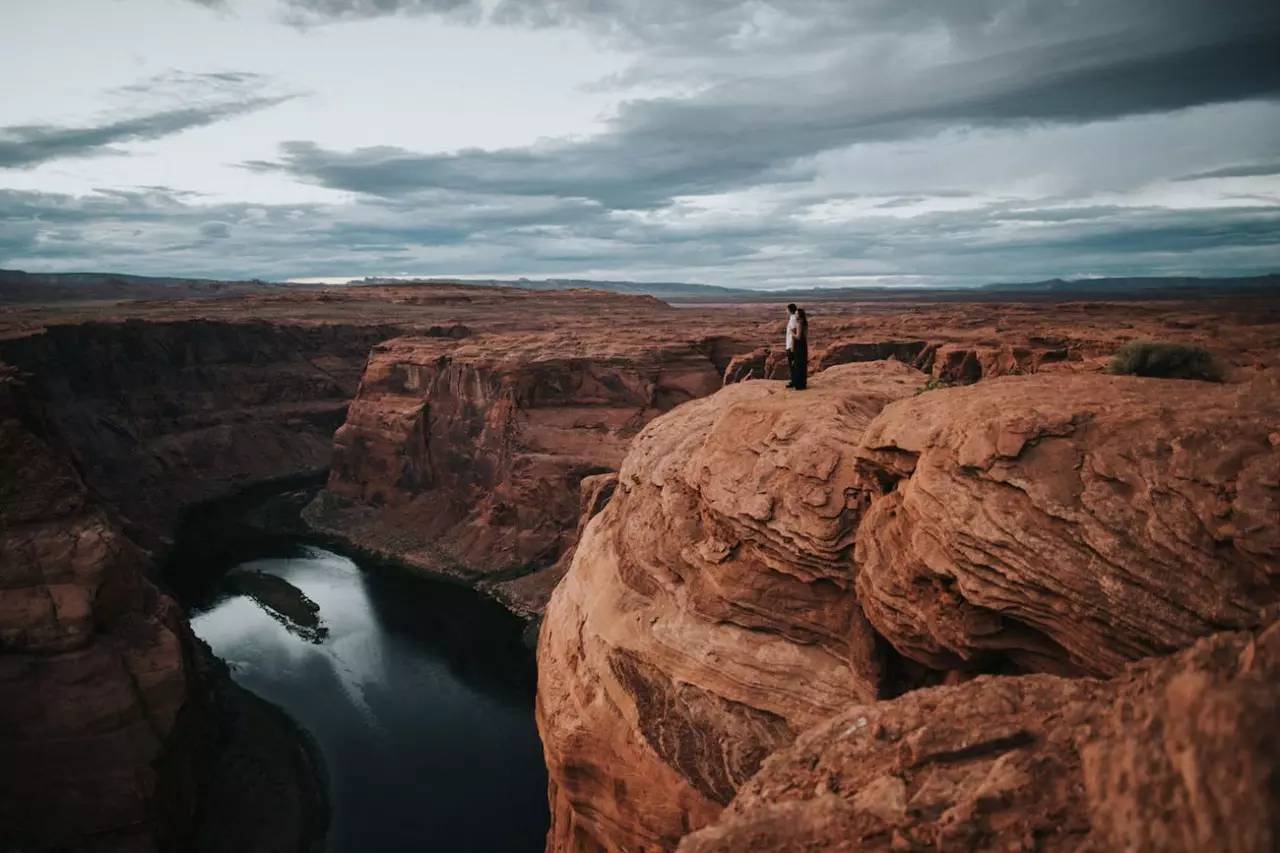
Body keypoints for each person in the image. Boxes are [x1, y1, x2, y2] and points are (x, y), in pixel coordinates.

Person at [784, 303, 808, 390]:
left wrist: (792, 346)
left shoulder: (796, 321)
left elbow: (797, 336)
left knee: (795, 365)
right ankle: (795, 382)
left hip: (795, 345)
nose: (785, 311)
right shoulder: (797, 320)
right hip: (800, 345)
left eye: (786, 309)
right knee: (797, 365)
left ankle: (796, 383)